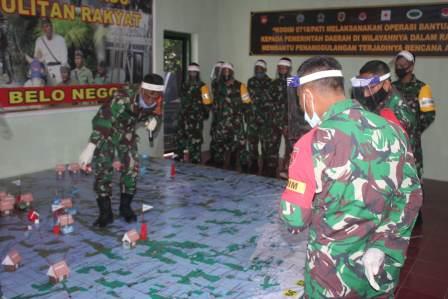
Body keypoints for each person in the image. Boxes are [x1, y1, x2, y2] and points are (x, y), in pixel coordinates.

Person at [280, 56, 422, 298]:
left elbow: (294, 219)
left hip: (333, 274)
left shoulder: (312, 143)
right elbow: (411, 195)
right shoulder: (393, 130)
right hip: (380, 267)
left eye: (301, 101)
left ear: (306, 95)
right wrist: (381, 244)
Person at [79, 74, 164, 228]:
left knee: (131, 168)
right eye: (147, 96)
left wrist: (154, 122)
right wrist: (91, 146)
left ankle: (125, 208)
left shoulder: (157, 99)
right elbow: (104, 121)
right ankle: (105, 213)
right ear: (141, 89)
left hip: (127, 131)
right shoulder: (122, 97)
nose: (151, 100)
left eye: (155, 97)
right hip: (108, 129)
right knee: (103, 169)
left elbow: (157, 114)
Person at [352, 60, 417, 165]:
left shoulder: (399, 112)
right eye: (362, 88)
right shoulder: (376, 100)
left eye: (371, 88)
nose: (365, 93)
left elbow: (391, 150)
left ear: (386, 84)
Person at [392, 50, 435, 180]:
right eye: (397, 65)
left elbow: (429, 115)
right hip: (393, 138)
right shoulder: (391, 87)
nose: (399, 68)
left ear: (411, 66)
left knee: (412, 175)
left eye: (403, 65)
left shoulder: (422, 88)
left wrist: (413, 130)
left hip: (411, 142)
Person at [213, 62, 252, 170]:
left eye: (228, 70)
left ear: (232, 72)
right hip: (222, 122)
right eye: (224, 70)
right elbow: (215, 104)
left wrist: (247, 117)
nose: (226, 73)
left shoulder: (240, 86)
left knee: (240, 144)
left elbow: (247, 103)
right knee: (220, 144)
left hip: (236, 122)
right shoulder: (217, 86)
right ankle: (219, 164)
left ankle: (243, 165)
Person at [175, 63, 212, 163]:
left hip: (196, 116)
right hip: (183, 115)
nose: (192, 74)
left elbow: (207, 101)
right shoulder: (184, 85)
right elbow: (181, 99)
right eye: (190, 72)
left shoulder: (202, 86)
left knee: (195, 138)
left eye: (194, 72)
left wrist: (205, 112)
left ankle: (195, 158)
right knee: (180, 135)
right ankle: (179, 155)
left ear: (197, 73)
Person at [265, 57, 291, 177]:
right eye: (280, 67)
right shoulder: (272, 82)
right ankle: (271, 167)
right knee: (272, 144)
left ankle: (286, 169)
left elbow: (296, 102)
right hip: (274, 120)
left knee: (289, 146)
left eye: (284, 67)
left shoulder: (294, 81)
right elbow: (268, 100)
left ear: (289, 68)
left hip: (288, 120)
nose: (282, 69)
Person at [247, 59, 272, 174]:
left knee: (265, 143)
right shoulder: (250, 81)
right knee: (252, 143)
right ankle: (254, 164)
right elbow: (248, 99)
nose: (258, 71)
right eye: (256, 69)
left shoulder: (271, 82)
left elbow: (272, 100)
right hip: (252, 118)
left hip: (266, 119)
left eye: (260, 69)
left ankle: (266, 165)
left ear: (265, 70)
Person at [34, 18, 67, 85]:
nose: (45, 29)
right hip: (46, 70)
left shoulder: (60, 39)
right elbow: (36, 58)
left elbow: (64, 59)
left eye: (47, 26)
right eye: (43, 27)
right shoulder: (39, 40)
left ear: (51, 26)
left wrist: (62, 73)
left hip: (59, 69)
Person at [208, 61, 223, 166]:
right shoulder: (214, 82)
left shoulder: (224, 83)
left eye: (219, 70)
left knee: (220, 136)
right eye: (216, 69)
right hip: (216, 112)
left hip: (224, 114)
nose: (217, 72)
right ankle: (213, 157)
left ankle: (219, 159)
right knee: (214, 134)